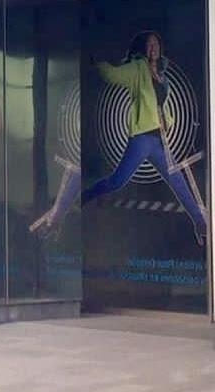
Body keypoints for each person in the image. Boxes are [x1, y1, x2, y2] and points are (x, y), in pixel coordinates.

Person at [35, 31, 208, 245]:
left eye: (156, 44)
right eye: (149, 44)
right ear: (143, 48)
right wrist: (98, 62)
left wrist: (168, 120)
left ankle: (201, 224)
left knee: (178, 180)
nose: (153, 47)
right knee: (117, 181)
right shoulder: (138, 68)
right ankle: (84, 197)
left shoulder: (162, 76)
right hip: (143, 138)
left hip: (159, 140)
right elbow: (113, 75)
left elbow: (159, 105)